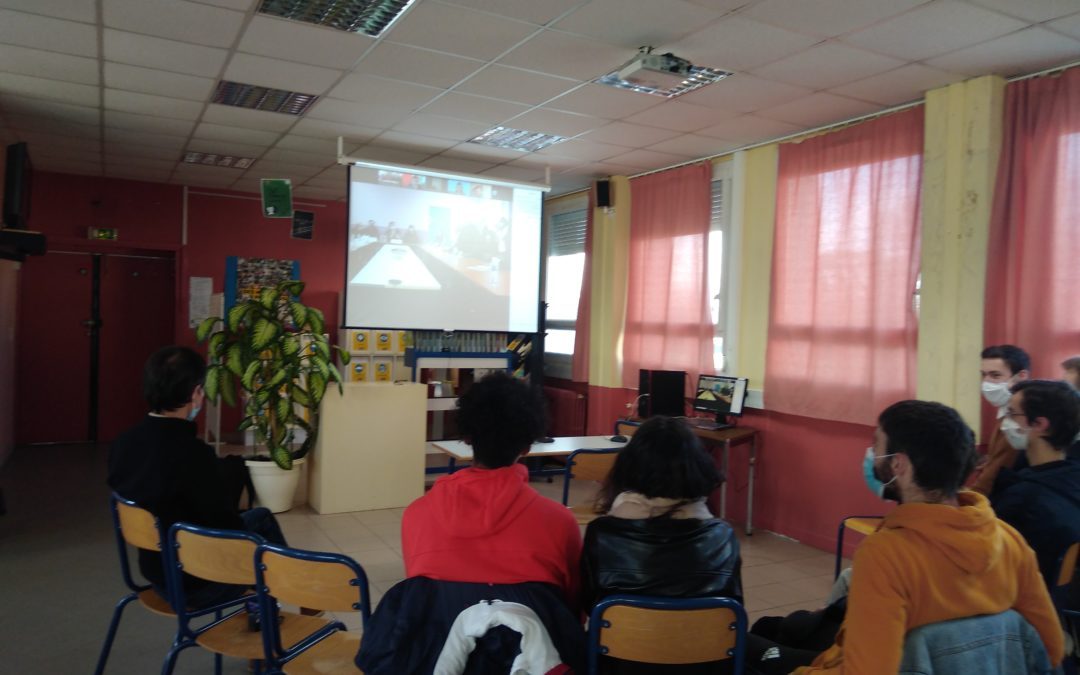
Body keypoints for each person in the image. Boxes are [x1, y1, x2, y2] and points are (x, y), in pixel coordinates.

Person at [793, 400, 1064, 674]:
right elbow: (1050, 647)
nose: (872, 454)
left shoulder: (886, 553)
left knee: (758, 645)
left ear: (898, 464)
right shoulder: (1009, 539)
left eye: (876, 446)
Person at [108, 345, 287, 608]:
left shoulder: (123, 444)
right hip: (199, 583)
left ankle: (268, 603)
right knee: (260, 524)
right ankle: (279, 598)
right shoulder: (194, 455)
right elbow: (227, 529)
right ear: (195, 394)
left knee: (257, 519)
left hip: (157, 574)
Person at [401, 371, 582, 605]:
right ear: (527, 447)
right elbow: (572, 608)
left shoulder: (416, 516)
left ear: (467, 438)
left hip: (440, 639)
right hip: (532, 639)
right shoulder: (560, 523)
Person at [580, 416, 741, 674]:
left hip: (620, 665)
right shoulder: (723, 537)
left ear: (629, 467)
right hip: (704, 666)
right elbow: (733, 607)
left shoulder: (602, 534)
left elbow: (589, 605)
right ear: (696, 468)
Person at [991, 380, 1080, 589]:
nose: (1006, 421)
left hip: (1018, 600)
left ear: (1040, 424)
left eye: (1012, 414)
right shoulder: (1071, 478)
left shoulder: (1023, 498)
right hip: (1054, 598)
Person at [971, 344, 1031, 495]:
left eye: (995, 375)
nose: (986, 383)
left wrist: (969, 499)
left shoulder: (1021, 418)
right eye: (983, 375)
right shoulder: (1005, 407)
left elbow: (997, 473)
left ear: (1021, 376)